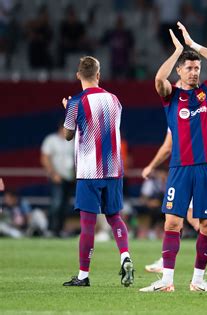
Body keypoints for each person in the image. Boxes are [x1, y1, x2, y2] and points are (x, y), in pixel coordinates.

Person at [139, 22, 207, 293]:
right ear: (179, 70)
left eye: (196, 67)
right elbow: (157, 80)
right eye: (189, 67)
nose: (193, 71)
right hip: (179, 168)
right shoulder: (172, 97)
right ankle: (166, 281)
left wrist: (194, 45)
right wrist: (178, 51)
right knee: (173, 222)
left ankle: (198, 281)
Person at [61, 56, 134, 287]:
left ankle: (83, 276)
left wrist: (67, 110)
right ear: (99, 75)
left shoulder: (75, 102)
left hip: (89, 170)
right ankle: (125, 257)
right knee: (114, 217)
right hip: (113, 169)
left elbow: (68, 135)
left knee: (88, 224)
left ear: (78, 75)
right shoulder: (115, 100)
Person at [142, 130, 207, 275]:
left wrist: (151, 166)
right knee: (186, 218)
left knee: (184, 218)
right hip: (199, 172)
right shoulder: (197, 113)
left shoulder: (177, 114)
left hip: (187, 173)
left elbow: (167, 147)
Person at [40, 122, 75, 237]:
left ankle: (59, 230)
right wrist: (53, 174)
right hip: (57, 178)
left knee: (65, 205)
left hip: (70, 178)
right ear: (61, 128)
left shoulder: (73, 140)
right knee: (56, 203)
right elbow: (45, 158)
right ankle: (50, 229)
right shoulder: (51, 140)